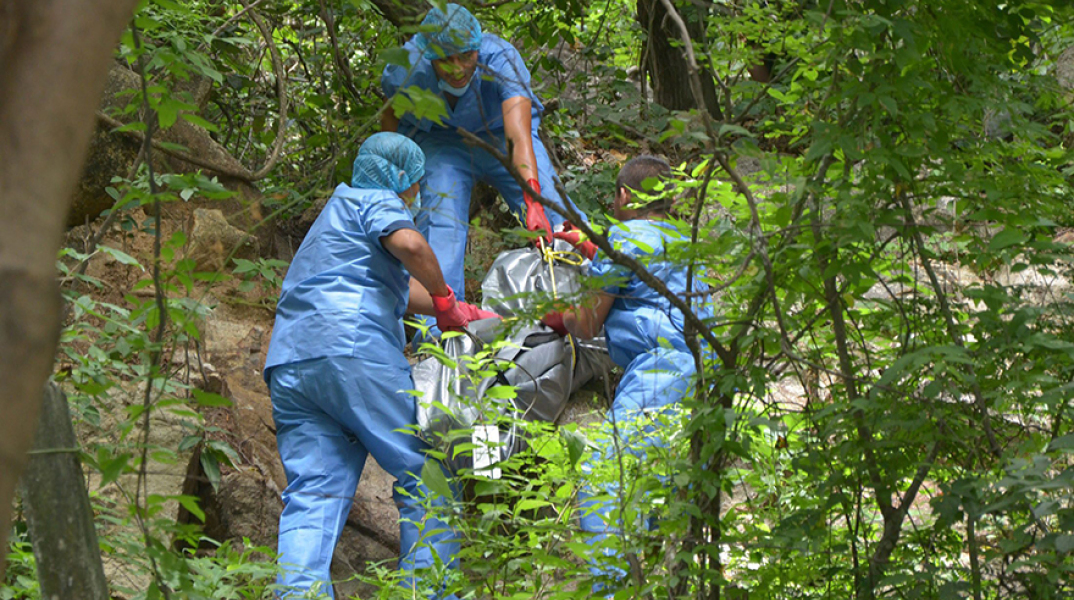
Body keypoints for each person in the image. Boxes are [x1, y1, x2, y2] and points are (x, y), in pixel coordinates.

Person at [263, 132, 497, 599]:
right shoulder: (374, 199)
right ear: (397, 179)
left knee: (313, 494)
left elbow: (391, 287)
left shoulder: (333, 220)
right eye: (413, 184)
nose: (415, 194)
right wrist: (447, 297)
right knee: (427, 470)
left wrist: (457, 310)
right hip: (352, 350)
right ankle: (430, 592)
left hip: (292, 363)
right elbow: (411, 246)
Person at [543, 155, 714, 591]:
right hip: (705, 379)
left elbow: (586, 323)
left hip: (661, 373)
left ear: (623, 195)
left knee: (607, 475)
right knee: (659, 489)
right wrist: (598, 254)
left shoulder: (625, 238)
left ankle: (610, 587)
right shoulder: (685, 239)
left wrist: (555, 316)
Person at [381, 3, 585, 301]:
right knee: (441, 229)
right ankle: (443, 331)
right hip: (442, 145)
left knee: (555, 213)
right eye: (445, 59)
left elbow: (518, 134)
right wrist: (394, 186)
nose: (457, 68)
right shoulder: (405, 71)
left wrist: (532, 198)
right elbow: (390, 123)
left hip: (501, 137)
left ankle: (594, 297)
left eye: (466, 56)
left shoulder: (500, 59)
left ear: (477, 47)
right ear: (428, 55)